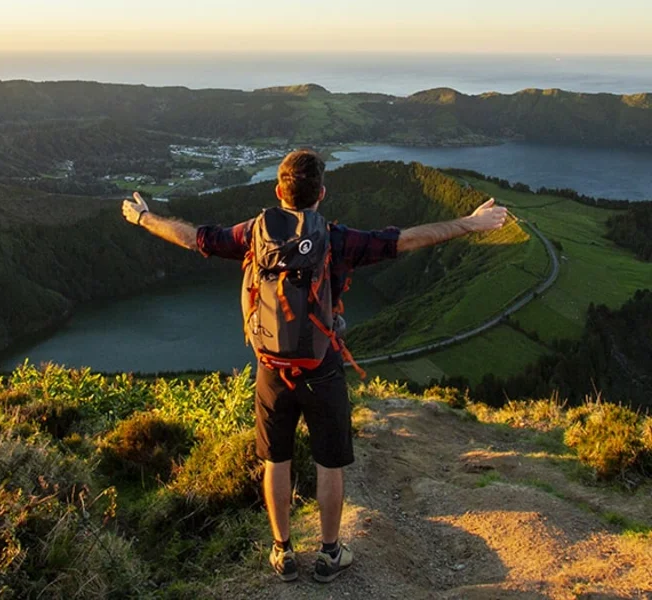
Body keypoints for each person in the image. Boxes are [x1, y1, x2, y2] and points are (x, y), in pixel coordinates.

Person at [121, 149, 507, 583]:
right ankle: (329, 553)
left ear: (277, 191)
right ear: (321, 193)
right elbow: (406, 239)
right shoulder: (337, 239)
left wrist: (142, 218)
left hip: (271, 368)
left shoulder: (254, 233)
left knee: (276, 460)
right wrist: (472, 223)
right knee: (329, 463)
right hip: (321, 367)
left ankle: (282, 551)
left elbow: (195, 237)